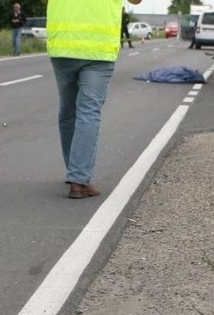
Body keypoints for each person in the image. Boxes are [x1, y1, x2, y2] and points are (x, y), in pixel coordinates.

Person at [47, 0, 140, 199]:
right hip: (98, 47)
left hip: (63, 41)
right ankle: (79, 180)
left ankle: (74, 170)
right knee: (88, 112)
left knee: (68, 110)